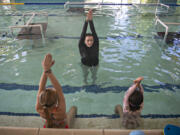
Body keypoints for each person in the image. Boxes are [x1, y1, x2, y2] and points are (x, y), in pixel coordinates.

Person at [36, 53, 77, 128]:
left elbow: (41, 87)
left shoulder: (39, 109)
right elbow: (59, 89)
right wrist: (47, 70)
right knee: (73, 109)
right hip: (63, 129)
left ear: (40, 100)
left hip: (47, 126)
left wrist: (46, 70)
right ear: (56, 102)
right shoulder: (60, 112)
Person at [79, 9, 99, 84]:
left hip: (95, 65)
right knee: (85, 75)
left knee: (94, 75)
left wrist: (91, 21)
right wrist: (86, 21)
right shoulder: (81, 46)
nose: (90, 42)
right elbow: (83, 33)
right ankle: (85, 81)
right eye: (88, 40)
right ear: (84, 41)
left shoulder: (95, 45)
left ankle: (94, 81)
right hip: (85, 65)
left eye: (91, 40)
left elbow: (94, 31)